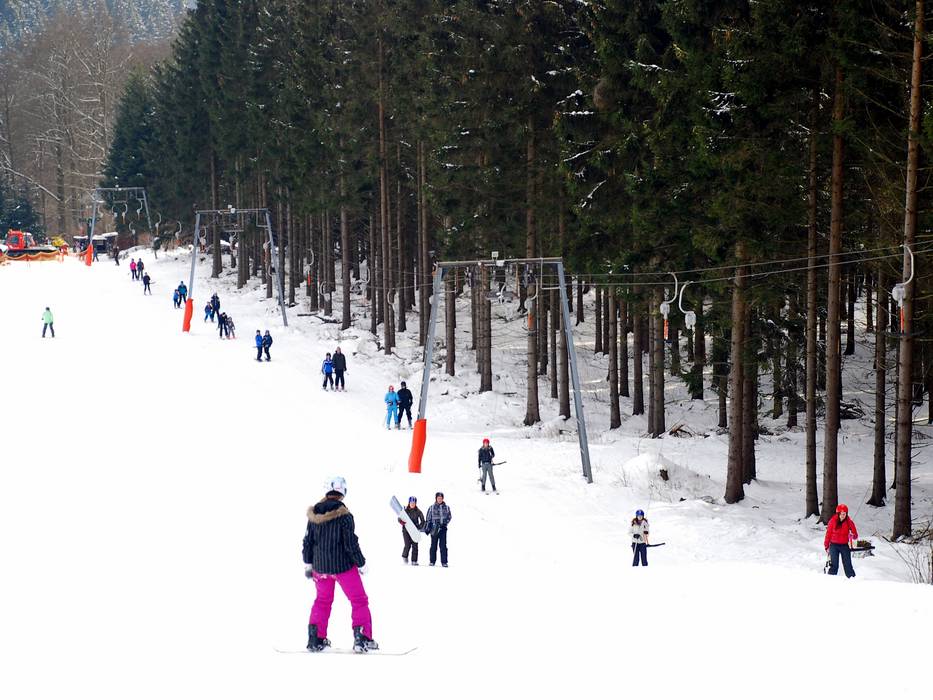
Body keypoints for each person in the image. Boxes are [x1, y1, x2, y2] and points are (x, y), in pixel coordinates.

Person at [302, 476, 378, 654]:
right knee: (359, 600)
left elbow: (307, 541)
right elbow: (350, 544)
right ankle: (362, 638)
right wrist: (361, 563)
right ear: (343, 492)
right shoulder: (345, 515)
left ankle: (315, 638)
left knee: (322, 601)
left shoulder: (314, 515)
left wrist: (308, 564)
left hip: (320, 568)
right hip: (343, 567)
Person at [824, 503, 858, 578]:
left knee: (848, 565)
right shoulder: (832, 521)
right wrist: (826, 546)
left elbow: (855, 535)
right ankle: (830, 580)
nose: (843, 515)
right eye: (841, 514)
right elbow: (828, 534)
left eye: (844, 514)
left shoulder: (849, 522)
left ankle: (852, 580)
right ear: (838, 513)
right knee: (834, 565)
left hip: (844, 545)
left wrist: (852, 535)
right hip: (834, 545)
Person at [424, 492, 452, 567]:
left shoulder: (446, 507)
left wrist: (445, 523)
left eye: (441, 498)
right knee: (433, 545)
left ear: (443, 499)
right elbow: (428, 518)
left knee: (443, 546)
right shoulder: (432, 507)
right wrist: (429, 527)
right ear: (436, 498)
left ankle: (444, 562)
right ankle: (432, 561)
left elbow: (449, 516)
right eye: (438, 498)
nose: (439, 499)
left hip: (443, 529)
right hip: (434, 529)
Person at [399, 496, 425, 565]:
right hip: (406, 530)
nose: (412, 504)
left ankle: (414, 560)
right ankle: (405, 556)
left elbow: (423, 521)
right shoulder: (405, 510)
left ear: (415, 503)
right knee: (407, 545)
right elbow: (399, 518)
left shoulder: (418, 511)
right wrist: (401, 522)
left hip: (414, 531)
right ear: (409, 503)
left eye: (414, 503)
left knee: (415, 545)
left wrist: (418, 527)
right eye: (411, 503)